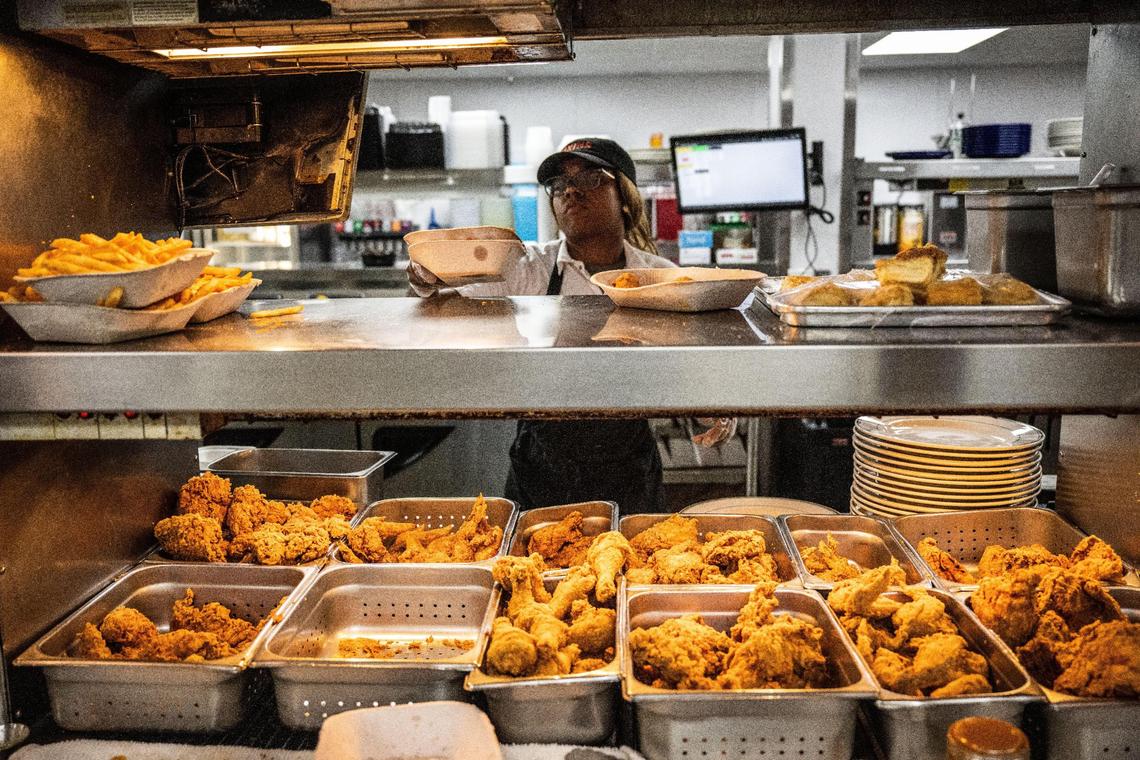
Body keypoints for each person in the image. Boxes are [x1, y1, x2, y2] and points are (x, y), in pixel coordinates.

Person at [407, 138, 733, 513]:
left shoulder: (659, 277)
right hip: (541, 465)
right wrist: (426, 273)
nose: (571, 191)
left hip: (626, 467)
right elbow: (441, 298)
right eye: (559, 185)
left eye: (592, 179)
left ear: (624, 196)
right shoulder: (527, 267)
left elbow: (691, 361)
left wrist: (714, 407)